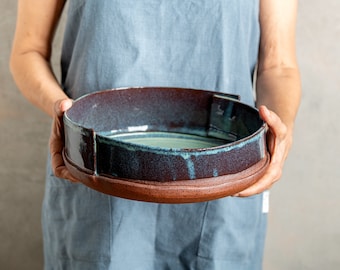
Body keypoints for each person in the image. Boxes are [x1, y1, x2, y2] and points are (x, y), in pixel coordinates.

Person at [10, 0, 301, 269]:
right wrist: (62, 111)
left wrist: (280, 130)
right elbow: (28, 51)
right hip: (96, 180)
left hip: (223, 187)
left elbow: (278, 66)